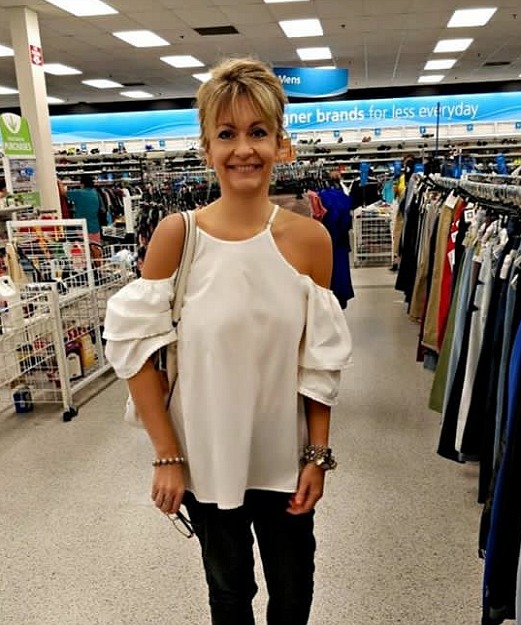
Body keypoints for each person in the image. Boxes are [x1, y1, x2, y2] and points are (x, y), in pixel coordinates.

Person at [103, 57, 352, 625]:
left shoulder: (310, 240)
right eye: (227, 134)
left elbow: (318, 362)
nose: (244, 149)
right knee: (229, 594)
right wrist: (167, 456)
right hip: (207, 458)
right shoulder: (178, 235)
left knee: (294, 593)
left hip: (285, 458)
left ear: (281, 144)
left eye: (258, 132)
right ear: (207, 147)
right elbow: (134, 350)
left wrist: (318, 455)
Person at [67, 173, 103, 243]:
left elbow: (64, 193)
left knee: (84, 247)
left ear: (82, 184)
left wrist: (59, 183)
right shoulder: (95, 193)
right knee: (95, 247)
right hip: (95, 227)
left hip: (83, 228)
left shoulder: (79, 193)